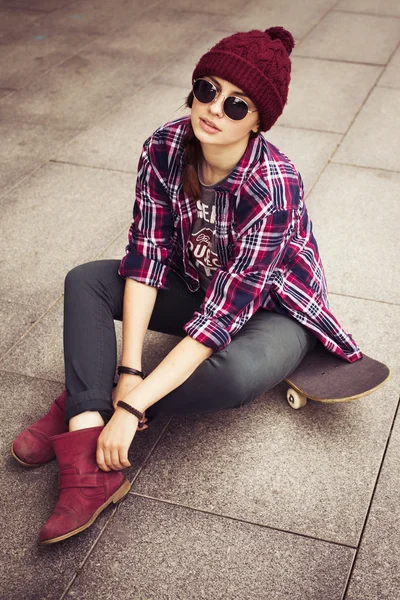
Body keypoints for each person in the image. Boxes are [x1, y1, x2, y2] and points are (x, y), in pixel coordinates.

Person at [11, 26, 362, 545]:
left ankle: (85, 408)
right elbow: (148, 256)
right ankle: (89, 431)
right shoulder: (165, 146)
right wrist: (129, 371)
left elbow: (223, 315)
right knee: (86, 280)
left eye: (237, 105)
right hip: (196, 281)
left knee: (235, 375)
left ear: (260, 121)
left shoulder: (274, 183)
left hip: (273, 308)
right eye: (207, 89)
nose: (215, 109)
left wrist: (131, 408)